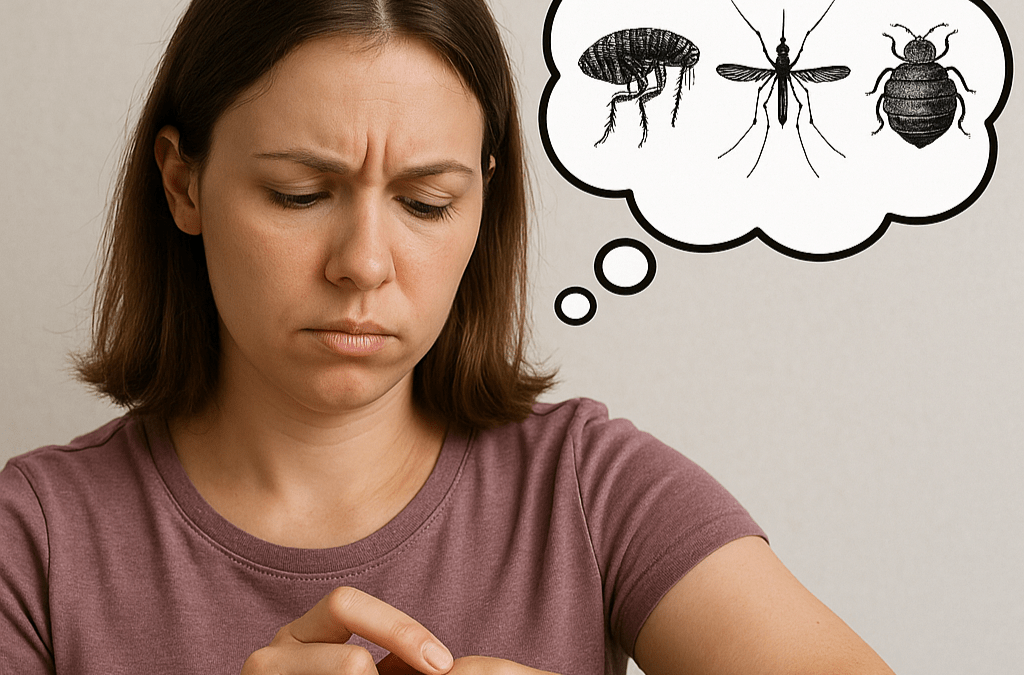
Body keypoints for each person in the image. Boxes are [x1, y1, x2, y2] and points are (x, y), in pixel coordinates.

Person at [0, 0, 897, 673]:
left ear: (482, 202)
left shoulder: (592, 488)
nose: (363, 264)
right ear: (182, 183)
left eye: (426, 203)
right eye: (298, 194)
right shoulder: (32, 538)